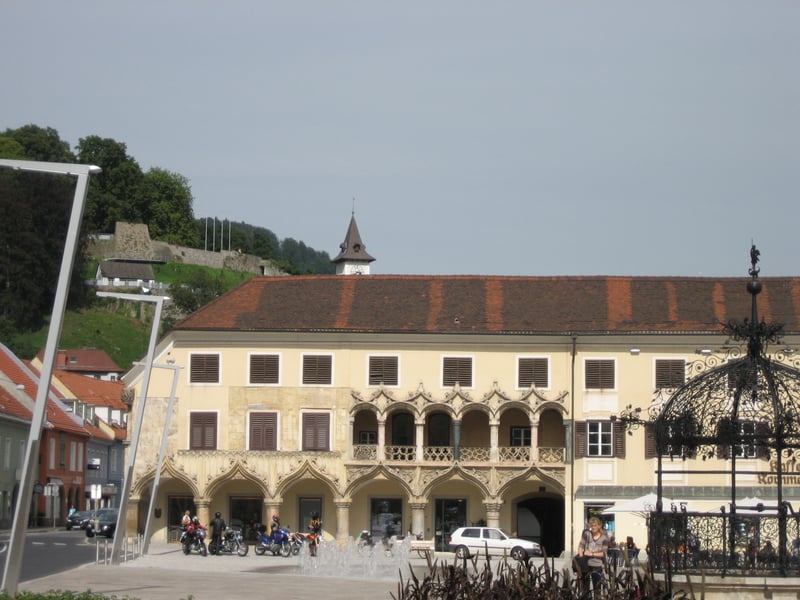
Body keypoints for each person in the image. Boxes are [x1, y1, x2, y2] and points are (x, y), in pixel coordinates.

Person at [574, 517, 609, 592]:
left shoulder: (604, 538)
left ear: (599, 526)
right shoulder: (587, 534)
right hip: (586, 565)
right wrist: (581, 558)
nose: (593, 527)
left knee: (597, 588)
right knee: (585, 589)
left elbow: (603, 553)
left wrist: (591, 554)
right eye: (592, 526)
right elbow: (580, 546)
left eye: (595, 525)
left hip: (597, 565)